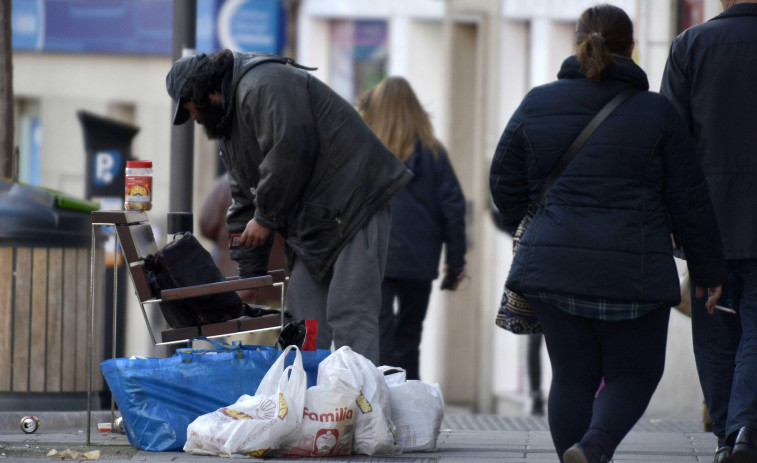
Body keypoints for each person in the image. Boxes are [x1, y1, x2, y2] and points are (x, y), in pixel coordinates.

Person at [489, 5, 727, 463]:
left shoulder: (537, 102)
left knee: (572, 377)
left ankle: (578, 454)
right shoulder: (656, 113)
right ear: (632, 48)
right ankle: (595, 448)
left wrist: (540, 220)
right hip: (634, 272)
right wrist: (708, 269)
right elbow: (690, 201)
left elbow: (503, 184)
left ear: (576, 43)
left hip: (553, 268)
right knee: (633, 375)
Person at [166, 50, 413, 364]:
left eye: (190, 108)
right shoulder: (231, 125)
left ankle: (362, 405)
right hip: (317, 219)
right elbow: (243, 198)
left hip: (355, 200)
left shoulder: (262, 85)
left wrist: (266, 218)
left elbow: (291, 150)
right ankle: (306, 400)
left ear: (204, 93)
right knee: (303, 318)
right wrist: (250, 277)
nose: (193, 118)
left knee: (350, 310)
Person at [660, 2, 757, 462]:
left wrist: (675, 222)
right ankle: (745, 430)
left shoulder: (690, 46)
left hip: (708, 222)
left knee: (714, 332)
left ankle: (726, 434)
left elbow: (670, 142)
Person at [357, 76, 467, 380]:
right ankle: (409, 403)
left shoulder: (366, 151)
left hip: (375, 254)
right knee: (410, 335)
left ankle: (382, 401)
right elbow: (453, 208)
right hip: (420, 258)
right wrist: (455, 261)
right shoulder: (434, 153)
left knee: (379, 333)